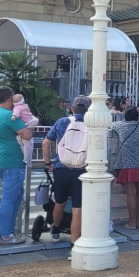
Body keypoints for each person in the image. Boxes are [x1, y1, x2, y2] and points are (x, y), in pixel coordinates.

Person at [42, 96, 91, 253]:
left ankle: (56, 228)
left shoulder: (62, 122)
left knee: (59, 202)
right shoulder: (92, 125)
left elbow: (46, 143)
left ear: (72, 108)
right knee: (78, 207)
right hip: (82, 170)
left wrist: (48, 163)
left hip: (61, 168)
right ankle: (74, 246)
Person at [0, 86, 33, 246]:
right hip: (12, 162)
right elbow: (27, 134)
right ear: (9, 99)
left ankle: (11, 231)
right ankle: (6, 235)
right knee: (9, 198)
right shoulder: (9, 116)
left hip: (0, 160)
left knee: (16, 196)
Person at [109, 107, 139, 230]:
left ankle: (132, 222)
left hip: (126, 164)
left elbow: (111, 124)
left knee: (130, 195)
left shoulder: (121, 126)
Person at [11, 93, 39, 167]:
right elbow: (16, 113)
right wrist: (14, 116)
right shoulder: (18, 107)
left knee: (26, 145)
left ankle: (27, 161)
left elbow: (28, 113)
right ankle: (27, 161)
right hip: (26, 124)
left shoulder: (24, 106)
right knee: (26, 146)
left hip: (28, 123)